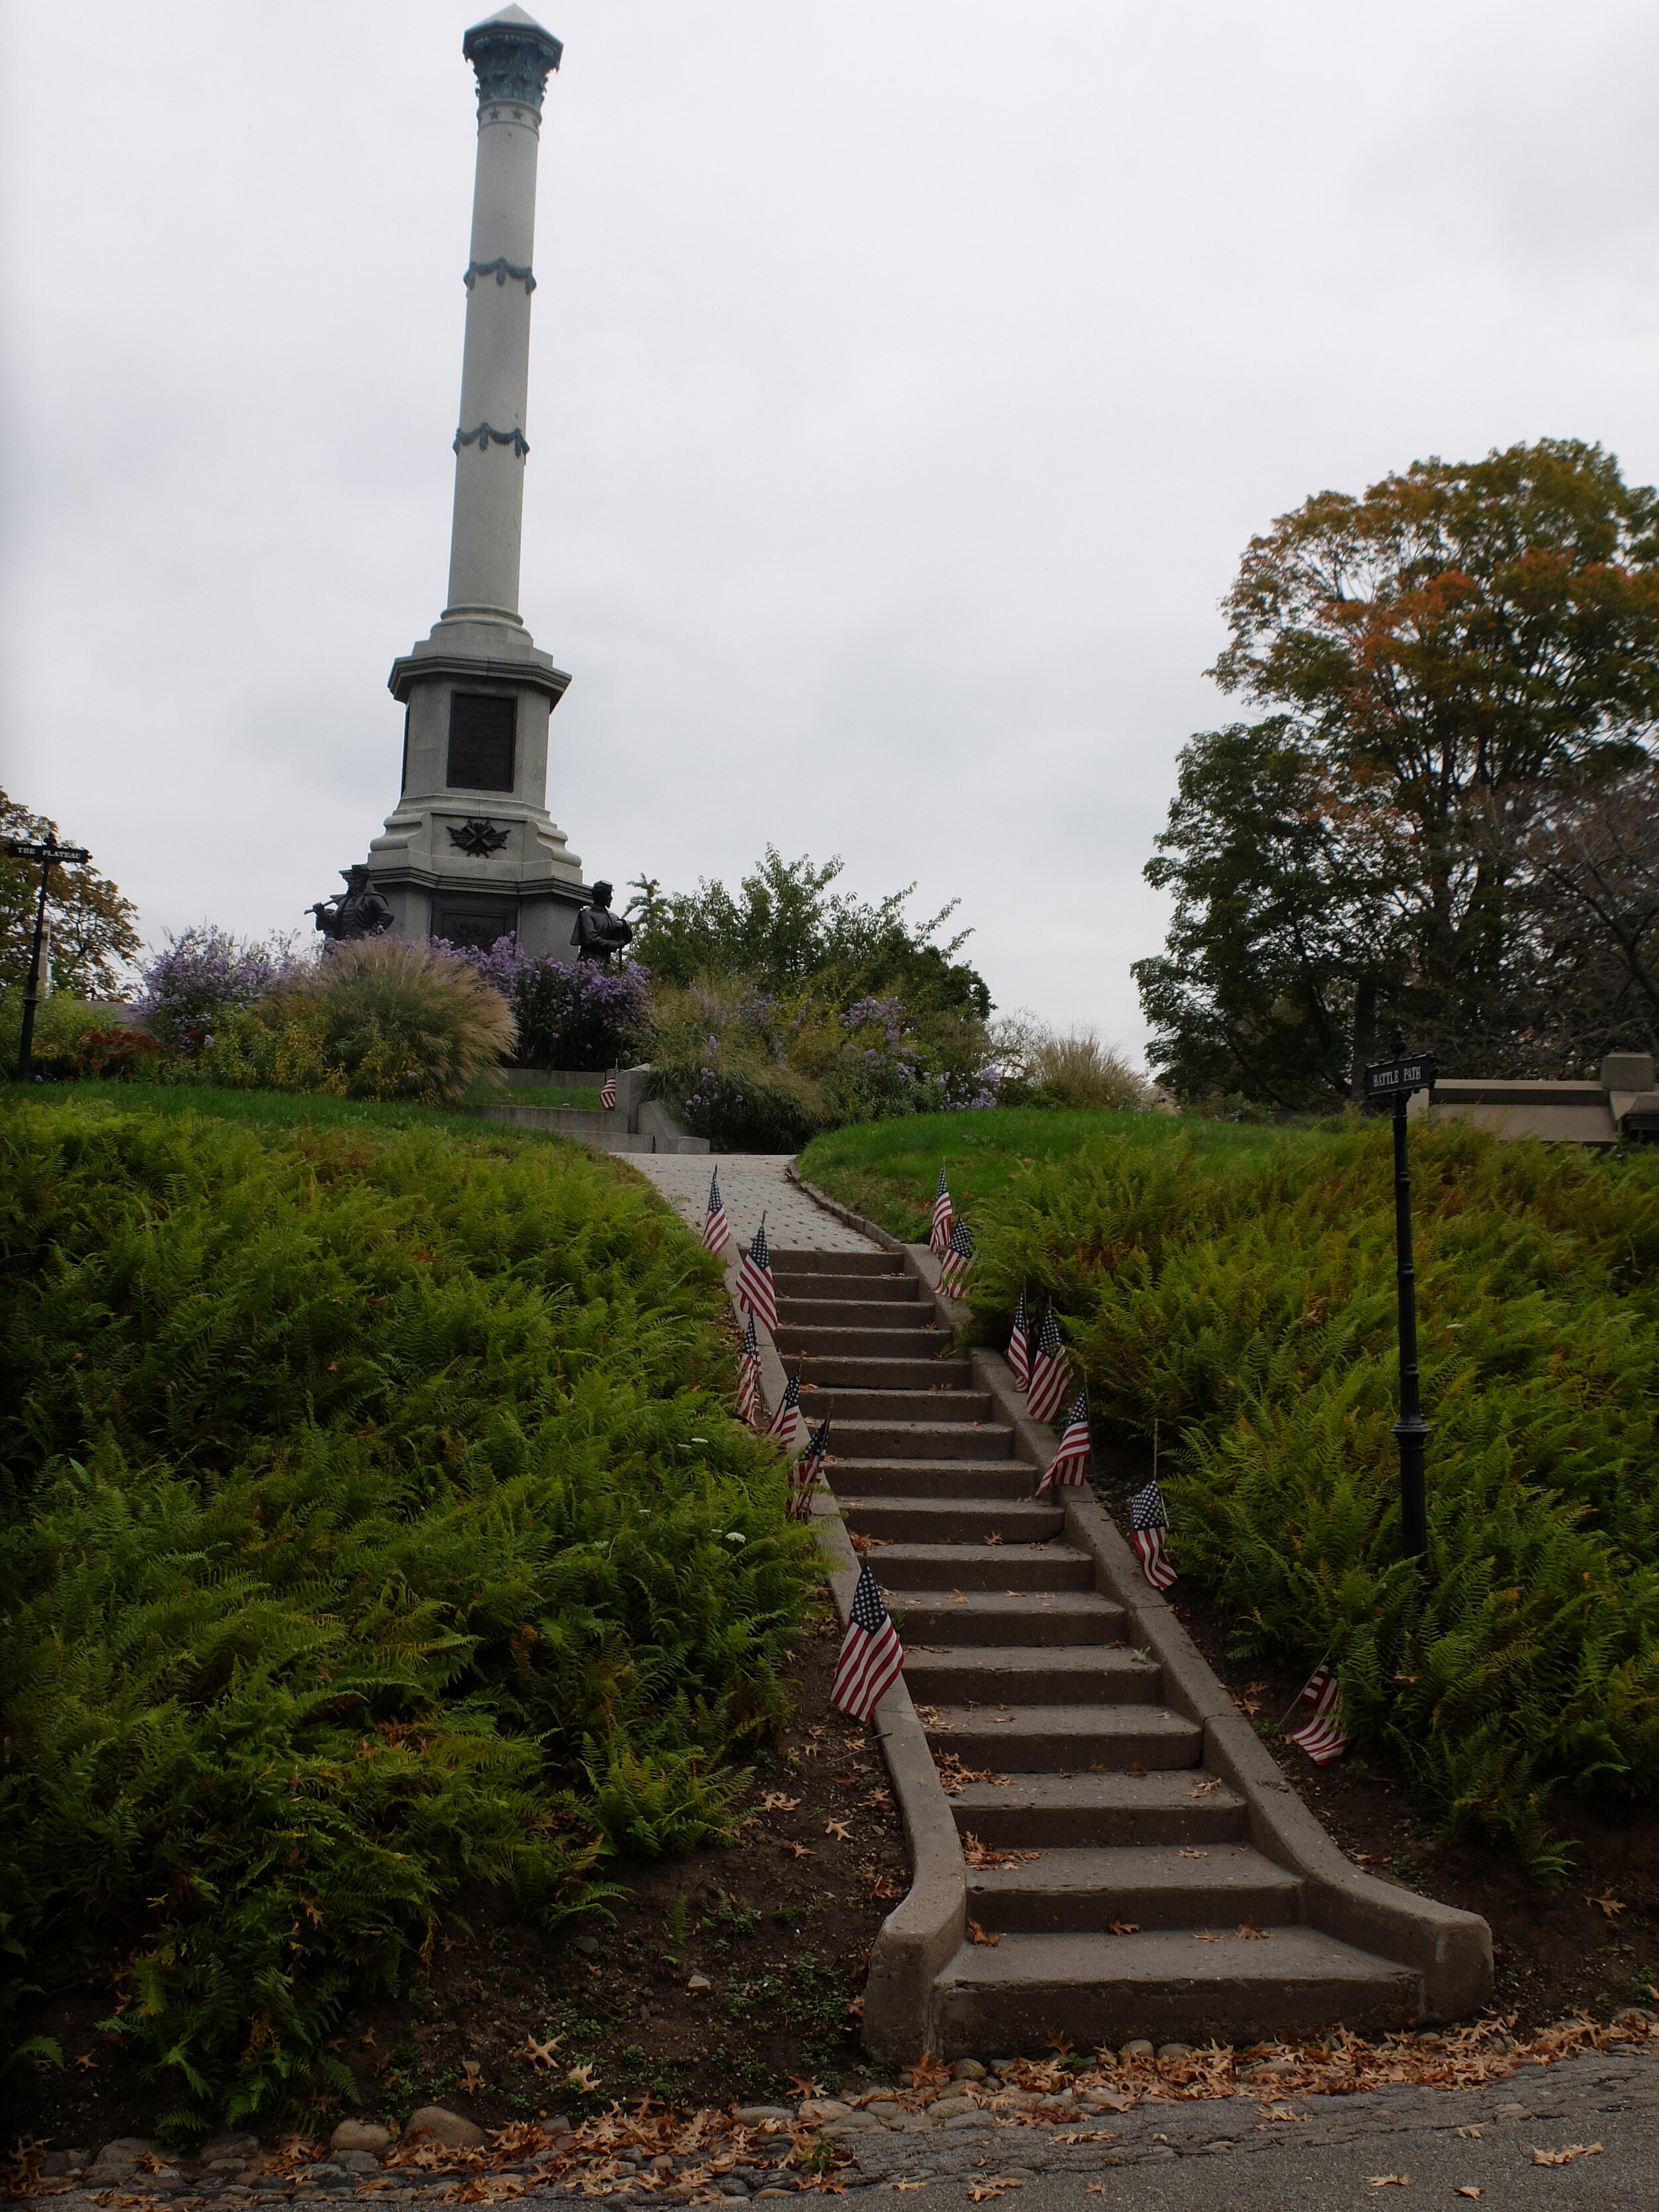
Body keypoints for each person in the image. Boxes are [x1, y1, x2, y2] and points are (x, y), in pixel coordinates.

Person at [571, 881, 634, 964]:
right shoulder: (587, 914)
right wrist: (615, 945)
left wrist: (624, 926)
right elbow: (592, 940)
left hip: (606, 962)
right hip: (589, 960)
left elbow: (626, 939)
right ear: (599, 895)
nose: (611, 898)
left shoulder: (613, 917)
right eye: (608, 894)